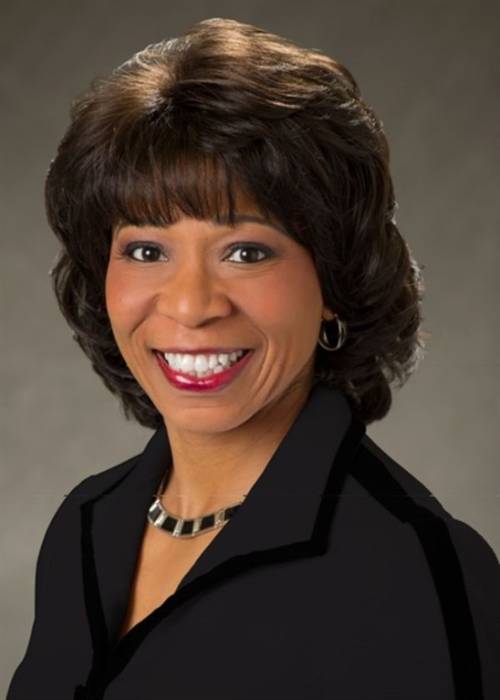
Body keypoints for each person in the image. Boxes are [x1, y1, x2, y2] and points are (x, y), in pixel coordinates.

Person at [7, 16, 499, 700]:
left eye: (246, 251)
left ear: (333, 283)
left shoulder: (412, 568)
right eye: (147, 251)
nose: (190, 304)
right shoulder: (87, 525)